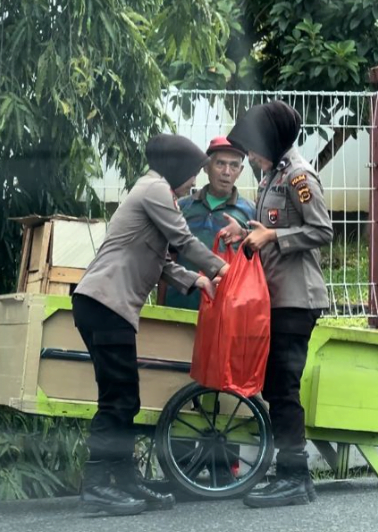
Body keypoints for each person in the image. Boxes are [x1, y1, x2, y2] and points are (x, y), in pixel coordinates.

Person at [71, 134, 230, 516]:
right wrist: (222, 267)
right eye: (193, 173)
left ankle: (124, 480)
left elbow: (160, 258)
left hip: (104, 305)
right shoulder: (155, 190)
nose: (195, 180)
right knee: (118, 398)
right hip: (105, 304)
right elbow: (184, 239)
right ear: (177, 168)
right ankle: (96, 486)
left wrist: (197, 280)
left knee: (124, 396)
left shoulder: (152, 189)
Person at [221, 100, 334, 508]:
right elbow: (273, 224)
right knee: (276, 386)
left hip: (296, 298)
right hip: (278, 298)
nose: (248, 156)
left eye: (252, 147)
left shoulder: (299, 176)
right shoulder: (273, 175)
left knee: (282, 388)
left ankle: (293, 475)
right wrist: (250, 231)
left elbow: (322, 229)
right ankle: (294, 475)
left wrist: (273, 237)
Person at [163, 136, 255, 310]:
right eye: (220, 163)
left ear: (240, 171)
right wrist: (161, 306)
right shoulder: (182, 207)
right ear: (206, 167)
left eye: (234, 165)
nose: (227, 172)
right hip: (180, 305)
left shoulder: (250, 212)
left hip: (225, 309)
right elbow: (168, 258)